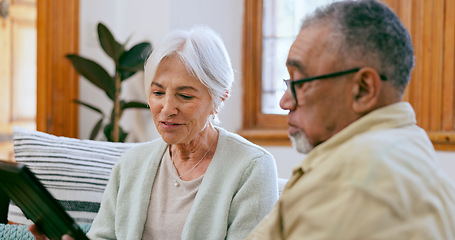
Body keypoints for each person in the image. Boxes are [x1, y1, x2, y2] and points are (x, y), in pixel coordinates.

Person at [30, 26, 278, 240]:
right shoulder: (131, 164)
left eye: (185, 95)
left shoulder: (253, 168)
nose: (167, 109)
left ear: (219, 99)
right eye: (158, 93)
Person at [247, 0, 455, 239]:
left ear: (363, 90)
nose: (285, 102)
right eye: (288, 83)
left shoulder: (352, 180)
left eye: (300, 83)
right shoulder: (407, 144)